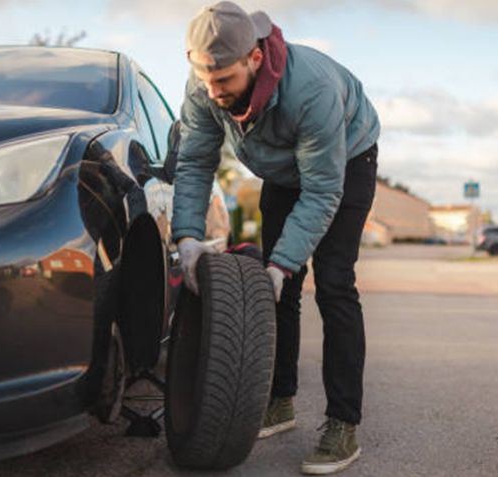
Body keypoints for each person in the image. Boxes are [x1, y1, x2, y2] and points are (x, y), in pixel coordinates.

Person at [172, 2, 379, 474]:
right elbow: (195, 161)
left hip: (345, 162)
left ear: (255, 59)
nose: (212, 90)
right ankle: (280, 400)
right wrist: (186, 235)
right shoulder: (204, 85)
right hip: (282, 172)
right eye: (204, 77)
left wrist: (285, 262)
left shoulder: (310, 92)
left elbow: (324, 189)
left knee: (333, 284)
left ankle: (343, 423)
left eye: (222, 79)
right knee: (275, 290)